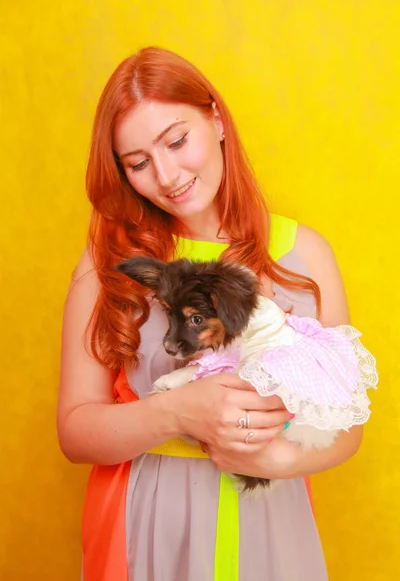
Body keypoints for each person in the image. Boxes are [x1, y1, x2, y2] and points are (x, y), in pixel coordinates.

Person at [58, 46, 363, 581]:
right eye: (138, 163)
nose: (168, 174)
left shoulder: (304, 254)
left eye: (177, 141)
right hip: (150, 524)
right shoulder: (109, 263)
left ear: (216, 119)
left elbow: (347, 423)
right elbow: (75, 431)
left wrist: (278, 463)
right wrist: (176, 412)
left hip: (269, 519)